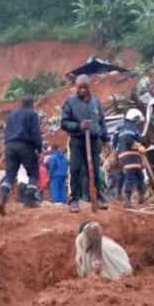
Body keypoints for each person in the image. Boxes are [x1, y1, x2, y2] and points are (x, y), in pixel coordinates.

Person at [61, 75, 109, 213]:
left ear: (89, 87)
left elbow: (102, 122)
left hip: (94, 141)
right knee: (75, 169)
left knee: (94, 169)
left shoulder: (96, 102)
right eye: (79, 87)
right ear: (76, 87)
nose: (82, 90)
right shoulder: (70, 102)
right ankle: (74, 199)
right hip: (77, 140)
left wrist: (106, 139)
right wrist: (78, 125)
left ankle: (98, 196)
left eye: (85, 87)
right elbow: (64, 123)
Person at [0, 94, 43, 215]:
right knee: (34, 173)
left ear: (21, 103)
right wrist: (39, 148)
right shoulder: (32, 114)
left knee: (10, 175)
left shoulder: (11, 116)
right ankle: (29, 198)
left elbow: (6, 132)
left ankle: (2, 198)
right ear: (32, 104)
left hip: (9, 146)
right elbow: (35, 133)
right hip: (25, 145)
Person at [116, 108, 148, 208]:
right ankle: (127, 201)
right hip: (129, 156)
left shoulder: (121, 128)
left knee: (139, 176)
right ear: (135, 118)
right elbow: (128, 139)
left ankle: (141, 197)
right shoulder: (130, 127)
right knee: (131, 177)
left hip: (125, 156)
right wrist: (139, 145)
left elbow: (116, 142)